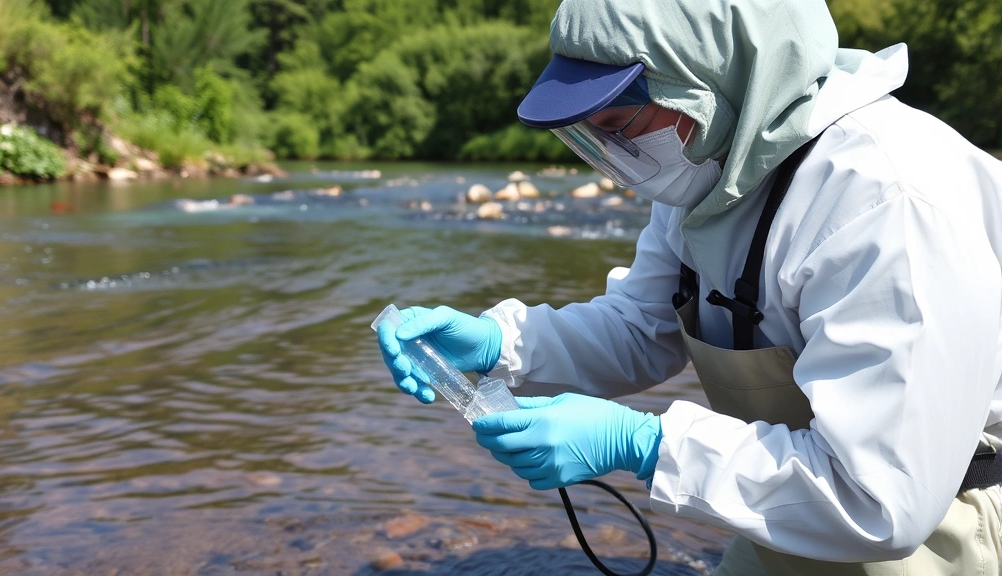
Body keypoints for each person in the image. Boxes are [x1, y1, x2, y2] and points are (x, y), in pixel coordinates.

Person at [377, 0, 1002, 573]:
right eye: (589, 134)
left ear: (708, 82)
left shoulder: (887, 199)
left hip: (939, 520)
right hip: (793, 494)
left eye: (618, 122)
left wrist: (643, 444)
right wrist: (499, 343)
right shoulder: (715, 165)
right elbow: (640, 328)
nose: (610, 153)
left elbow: (880, 499)